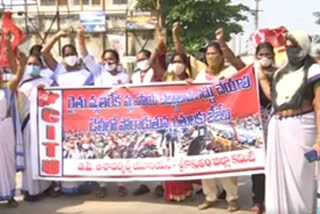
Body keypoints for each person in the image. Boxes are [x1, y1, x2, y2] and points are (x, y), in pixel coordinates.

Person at [262, 30, 320, 214]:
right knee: (275, 181)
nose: (290, 51)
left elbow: (318, 104)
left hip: (302, 128)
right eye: (287, 47)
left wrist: (319, 140)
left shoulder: (314, 70)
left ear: (304, 47)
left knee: (299, 181)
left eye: (294, 47)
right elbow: (275, 99)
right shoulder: (280, 72)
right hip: (278, 128)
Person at [77, 26, 129, 197]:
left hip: (120, 120)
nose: (108, 62)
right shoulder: (98, 72)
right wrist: (80, 36)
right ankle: (102, 184)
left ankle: (121, 183)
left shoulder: (125, 77)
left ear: (117, 60)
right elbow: (84, 55)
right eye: (105, 59)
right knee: (100, 151)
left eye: (111, 59)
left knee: (119, 151)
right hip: (101, 120)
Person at [41, 29, 93, 195]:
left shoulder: (87, 73)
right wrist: (56, 36)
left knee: (82, 149)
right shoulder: (58, 70)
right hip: (61, 119)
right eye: (67, 54)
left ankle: (84, 184)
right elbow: (44, 52)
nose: (70, 56)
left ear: (77, 55)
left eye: (73, 53)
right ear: (63, 57)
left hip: (82, 119)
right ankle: (65, 185)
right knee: (65, 151)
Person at [195, 42, 240, 212]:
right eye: (208, 54)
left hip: (224, 124)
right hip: (205, 124)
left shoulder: (230, 73)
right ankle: (210, 196)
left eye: (214, 53)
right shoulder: (200, 75)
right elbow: (194, 95)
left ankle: (232, 197)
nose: (210, 57)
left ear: (221, 55)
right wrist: (188, 85)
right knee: (206, 162)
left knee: (225, 161)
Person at [18, 53, 53, 201]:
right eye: (30, 64)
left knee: (44, 155)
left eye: (35, 63)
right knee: (30, 157)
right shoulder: (21, 82)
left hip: (45, 124)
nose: (33, 66)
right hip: (28, 125)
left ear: (41, 65)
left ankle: (47, 186)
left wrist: (43, 91)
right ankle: (31, 190)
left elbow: (55, 99)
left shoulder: (48, 81)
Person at [0, 31, 25, 207]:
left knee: (7, 163)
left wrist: (7, 43)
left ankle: (9, 195)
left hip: (5, 128)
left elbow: (18, 74)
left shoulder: (7, 88)